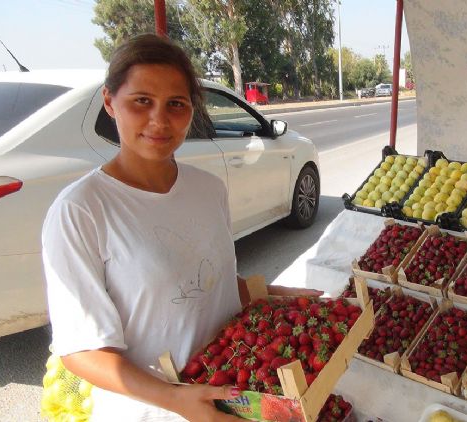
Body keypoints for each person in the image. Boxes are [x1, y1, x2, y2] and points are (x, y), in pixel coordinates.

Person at [41, 33, 321, 422]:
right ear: (110, 102)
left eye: (176, 104)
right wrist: (176, 401)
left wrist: (272, 294)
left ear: (192, 110)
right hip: (153, 410)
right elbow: (81, 351)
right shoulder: (81, 210)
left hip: (229, 393)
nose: (159, 120)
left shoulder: (207, 188)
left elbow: (211, 286)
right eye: (142, 101)